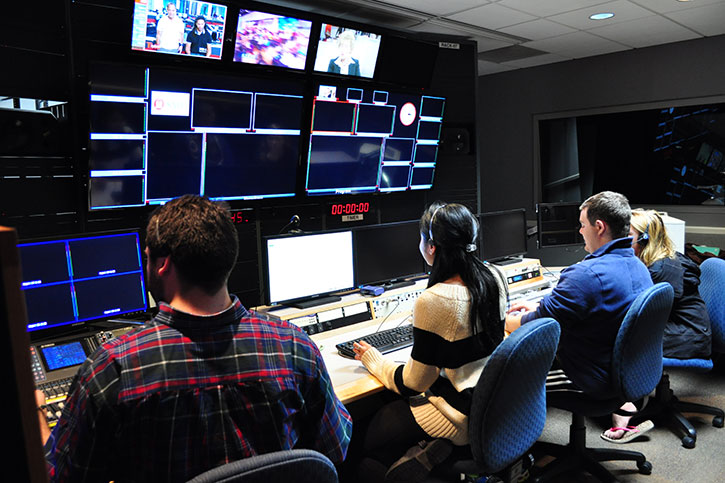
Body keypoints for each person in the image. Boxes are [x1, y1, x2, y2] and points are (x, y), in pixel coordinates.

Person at [35, 195, 352, 482]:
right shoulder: (295, 346)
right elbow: (335, 449)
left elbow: (57, 478)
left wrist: (36, 414)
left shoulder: (113, 369)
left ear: (163, 264)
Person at [352, 202, 507, 482]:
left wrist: (374, 360)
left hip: (457, 415)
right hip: (492, 403)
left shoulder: (434, 300)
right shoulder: (495, 276)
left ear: (432, 247)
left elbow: (415, 383)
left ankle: (426, 457)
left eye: (421, 238)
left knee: (361, 435)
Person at [506, 191, 653, 400]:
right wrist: (538, 308)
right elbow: (566, 310)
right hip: (625, 370)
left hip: (587, 378)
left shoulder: (586, 275)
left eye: (583, 225)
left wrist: (504, 319)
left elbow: (534, 324)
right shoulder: (639, 267)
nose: (581, 231)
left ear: (599, 227)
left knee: (499, 376)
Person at [601, 209, 712, 443]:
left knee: (618, 339)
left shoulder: (662, 270)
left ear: (645, 238)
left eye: (626, 234)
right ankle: (628, 394)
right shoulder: (652, 260)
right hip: (675, 326)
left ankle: (626, 406)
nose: (619, 238)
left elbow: (636, 315)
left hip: (688, 334)